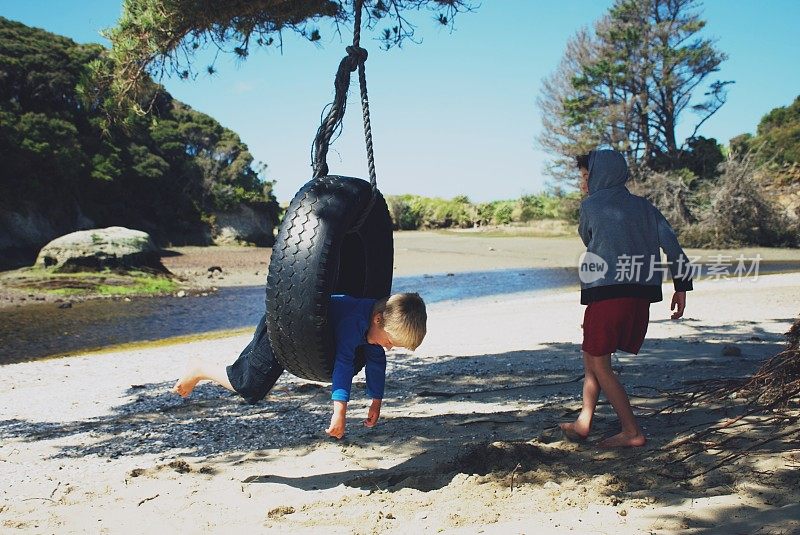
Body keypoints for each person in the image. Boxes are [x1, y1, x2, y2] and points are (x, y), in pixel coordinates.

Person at [560, 149, 693, 448]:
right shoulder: (644, 206)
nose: (583, 184)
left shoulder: (591, 205)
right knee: (592, 356)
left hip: (608, 293)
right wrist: (681, 286)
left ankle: (632, 431)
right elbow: (672, 245)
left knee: (599, 362)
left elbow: (588, 238)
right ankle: (584, 421)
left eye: (585, 176)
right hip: (638, 295)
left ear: (600, 175)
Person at [173, 292, 427, 440]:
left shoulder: (373, 322)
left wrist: (376, 401)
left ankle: (202, 368)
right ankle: (200, 368)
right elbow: (343, 364)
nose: (389, 347)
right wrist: (340, 412)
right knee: (248, 385)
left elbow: (376, 361)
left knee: (250, 379)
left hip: (301, 334)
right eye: (390, 342)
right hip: (284, 327)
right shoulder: (354, 323)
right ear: (378, 319)